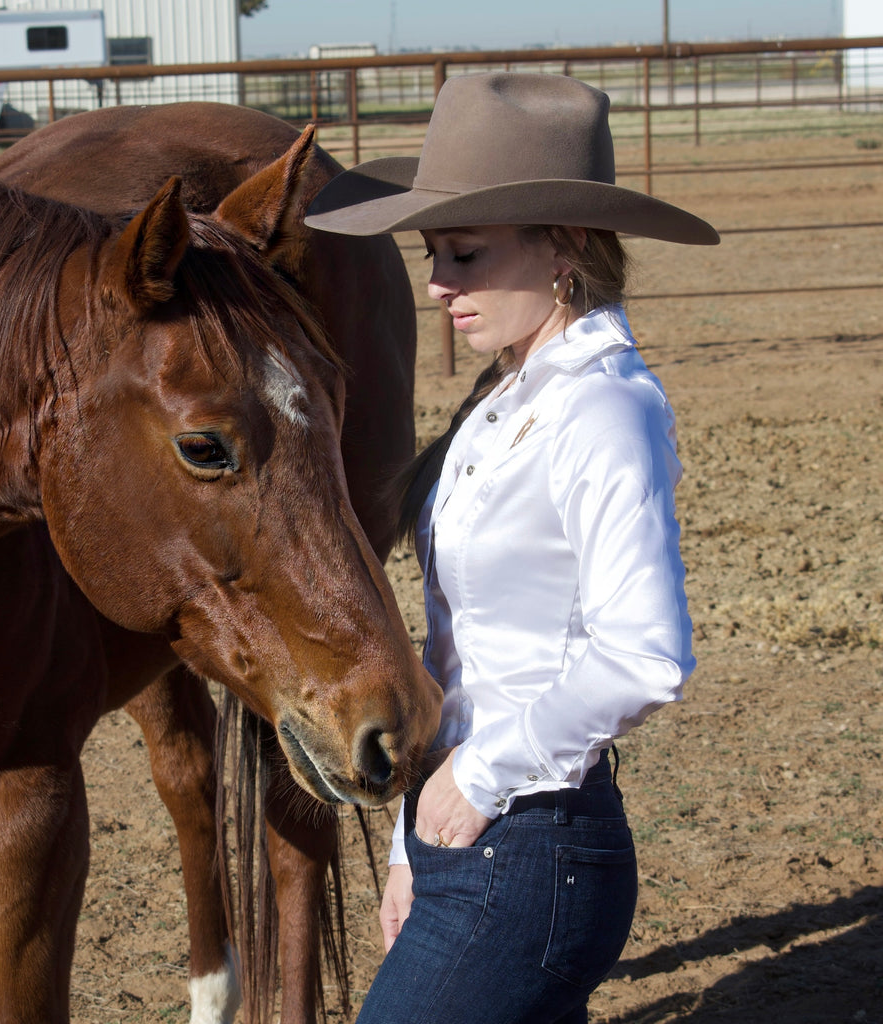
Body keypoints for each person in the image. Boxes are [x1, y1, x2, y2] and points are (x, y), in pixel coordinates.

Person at [305, 72, 719, 1024]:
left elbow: (645, 654)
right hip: (470, 834)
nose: (440, 284)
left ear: (564, 247)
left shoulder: (601, 408)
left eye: (466, 253)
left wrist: (478, 780)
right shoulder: (506, 398)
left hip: (529, 845)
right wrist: (414, 841)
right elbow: (462, 645)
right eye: (433, 254)